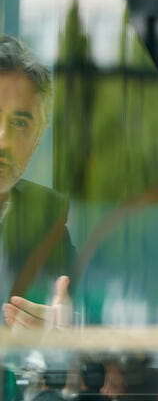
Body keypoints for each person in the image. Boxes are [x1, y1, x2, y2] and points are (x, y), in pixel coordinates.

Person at [0, 35, 74, 329]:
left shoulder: (48, 222)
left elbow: (80, 320)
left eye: (19, 123)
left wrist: (63, 328)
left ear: (38, 137)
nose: (2, 139)